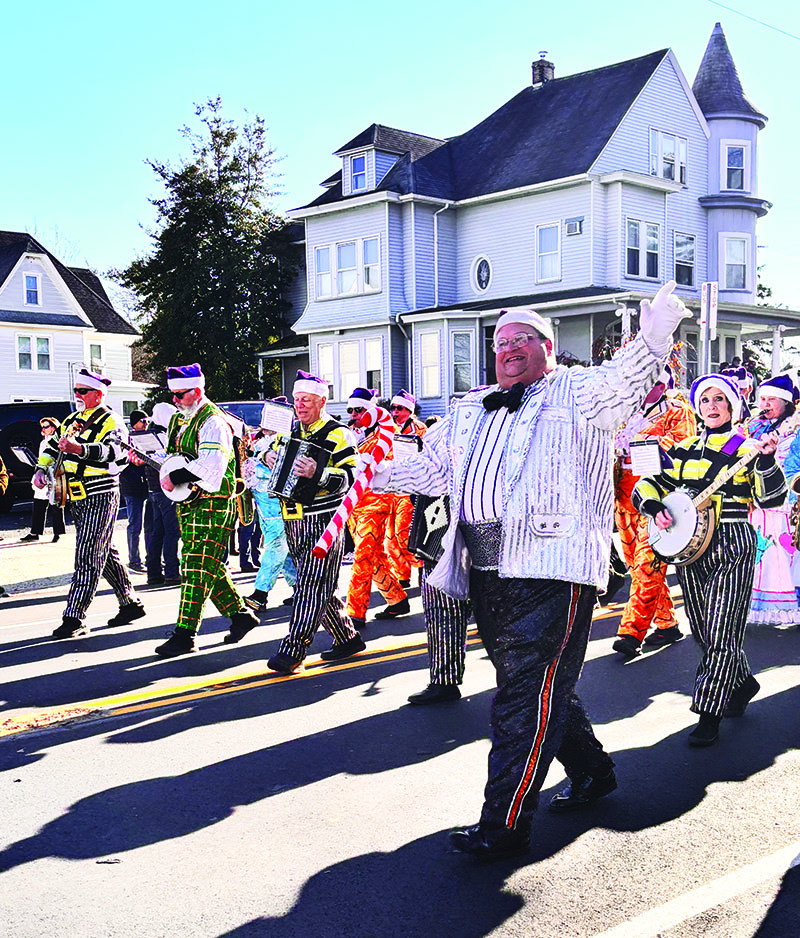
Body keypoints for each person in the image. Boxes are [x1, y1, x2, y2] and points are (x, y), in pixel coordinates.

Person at [372, 281, 690, 862]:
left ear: (547, 345)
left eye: (523, 339)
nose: (509, 348)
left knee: (521, 698)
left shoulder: (577, 390)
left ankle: (504, 824)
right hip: (485, 570)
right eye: (501, 342)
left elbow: (622, 384)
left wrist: (654, 336)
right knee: (539, 689)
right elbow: (434, 470)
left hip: (553, 569)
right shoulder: (469, 409)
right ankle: (593, 771)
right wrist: (380, 474)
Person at [634, 374, 785, 747]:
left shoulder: (748, 447)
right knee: (704, 631)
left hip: (732, 543)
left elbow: (771, 499)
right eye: (705, 400)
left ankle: (708, 712)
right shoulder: (682, 449)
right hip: (689, 548)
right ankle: (743, 682)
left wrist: (766, 461)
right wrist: (653, 506)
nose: (712, 406)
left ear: (733, 406)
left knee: (722, 632)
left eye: (720, 399)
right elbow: (650, 484)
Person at [261, 370, 365, 674]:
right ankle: (347, 639)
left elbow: (353, 477)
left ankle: (293, 650)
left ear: (322, 401)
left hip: (324, 519)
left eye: (306, 399)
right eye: (297, 399)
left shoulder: (338, 433)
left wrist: (318, 474)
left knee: (310, 585)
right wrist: (268, 457)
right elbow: (268, 450)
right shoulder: (291, 430)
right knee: (318, 584)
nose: (300, 405)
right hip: (292, 516)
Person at [153, 364, 258, 656]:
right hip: (189, 501)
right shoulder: (179, 419)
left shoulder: (213, 421)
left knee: (195, 566)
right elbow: (175, 455)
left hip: (215, 501)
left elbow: (212, 465)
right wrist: (154, 461)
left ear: (197, 391)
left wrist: (174, 476)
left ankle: (185, 634)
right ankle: (240, 615)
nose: (175, 400)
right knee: (206, 564)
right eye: (173, 395)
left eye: (180, 395)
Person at [33, 369, 145, 638]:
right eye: (76, 390)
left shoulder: (112, 420)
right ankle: (130, 603)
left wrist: (79, 449)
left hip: (101, 492)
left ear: (98, 394)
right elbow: (52, 447)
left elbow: (115, 452)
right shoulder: (71, 419)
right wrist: (41, 468)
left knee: (87, 554)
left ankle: (74, 616)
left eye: (83, 391)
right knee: (103, 550)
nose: (78, 395)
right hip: (76, 493)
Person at [611, 365, 696, 658]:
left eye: (651, 383)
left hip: (658, 496)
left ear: (663, 386)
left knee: (648, 565)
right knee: (637, 566)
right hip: (625, 499)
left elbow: (683, 447)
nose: (645, 388)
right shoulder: (626, 413)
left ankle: (630, 633)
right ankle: (667, 624)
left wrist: (640, 444)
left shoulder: (676, 411)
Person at [345, 388, 409, 627]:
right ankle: (397, 599)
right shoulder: (349, 434)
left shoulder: (387, 433)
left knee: (362, 556)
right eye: (350, 410)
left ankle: (355, 612)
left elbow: (394, 461)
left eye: (358, 410)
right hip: (353, 503)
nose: (353, 414)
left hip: (377, 501)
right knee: (373, 556)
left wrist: (377, 463)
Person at [743, 374, 800, 625]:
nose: (765, 404)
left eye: (772, 399)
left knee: (786, 554)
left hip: (786, 502)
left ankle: (790, 604)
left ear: (786, 402)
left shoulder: (795, 428)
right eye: (762, 399)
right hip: (756, 502)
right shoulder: (751, 426)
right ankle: (756, 604)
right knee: (760, 552)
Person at [240, 399, 297, 617]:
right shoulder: (262, 443)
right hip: (265, 505)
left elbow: (279, 472)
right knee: (284, 549)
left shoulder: (287, 442)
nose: (263, 423)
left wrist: (255, 466)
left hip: (279, 504)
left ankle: (260, 594)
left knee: (275, 546)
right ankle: (300, 588)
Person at [386, 389, 425, 587]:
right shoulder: (388, 428)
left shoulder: (420, 429)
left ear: (409, 410)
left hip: (411, 488)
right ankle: (402, 574)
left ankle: (422, 564)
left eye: (399, 408)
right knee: (390, 537)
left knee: (403, 532)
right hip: (392, 487)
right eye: (393, 408)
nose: (395, 412)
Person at [139, 402, 181, 587]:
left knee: (158, 532)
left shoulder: (147, 436)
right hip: (165, 490)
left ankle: (154, 572)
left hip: (153, 489)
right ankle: (171, 571)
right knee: (171, 531)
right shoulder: (162, 436)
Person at [20, 417, 66, 543]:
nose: (44, 429)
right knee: (39, 503)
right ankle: (35, 532)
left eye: (46, 426)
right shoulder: (43, 442)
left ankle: (58, 533)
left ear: (54, 428)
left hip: (54, 475)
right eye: (42, 427)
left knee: (56, 505)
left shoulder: (57, 441)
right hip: (42, 475)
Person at [119, 409, 149, 573]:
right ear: (134, 423)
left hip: (148, 486)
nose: (146, 424)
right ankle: (134, 560)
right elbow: (122, 465)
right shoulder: (127, 439)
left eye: (147, 421)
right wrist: (136, 478)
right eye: (143, 421)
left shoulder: (148, 437)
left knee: (150, 525)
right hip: (132, 487)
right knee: (134, 525)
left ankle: (151, 557)